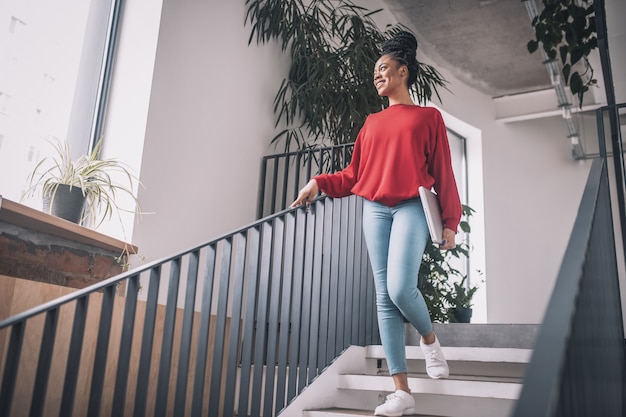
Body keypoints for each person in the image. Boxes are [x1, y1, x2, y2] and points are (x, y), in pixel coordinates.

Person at [289, 30, 462, 416]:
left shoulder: (427, 117)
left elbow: (444, 173)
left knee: (401, 288)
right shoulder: (370, 123)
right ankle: (401, 392)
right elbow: (353, 175)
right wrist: (319, 182)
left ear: (404, 71)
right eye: (375, 72)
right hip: (375, 209)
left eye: (384, 69)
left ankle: (429, 339)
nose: (377, 76)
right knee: (384, 296)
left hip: (411, 207)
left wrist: (450, 220)